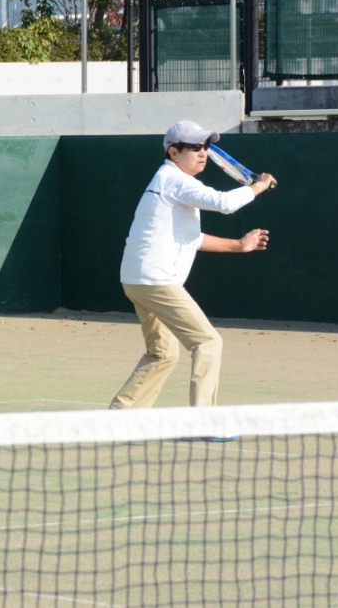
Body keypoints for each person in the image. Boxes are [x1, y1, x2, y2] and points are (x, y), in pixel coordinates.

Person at [109, 121, 277, 441]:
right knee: (207, 342)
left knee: (163, 352)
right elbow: (226, 203)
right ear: (174, 152)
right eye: (195, 148)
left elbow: (192, 238)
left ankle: (120, 420)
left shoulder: (172, 184)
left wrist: (238, 245)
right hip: (156, 280)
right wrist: (258, 186)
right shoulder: (173, 179)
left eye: (206, 148)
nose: (203, 153)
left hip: (138, 278)